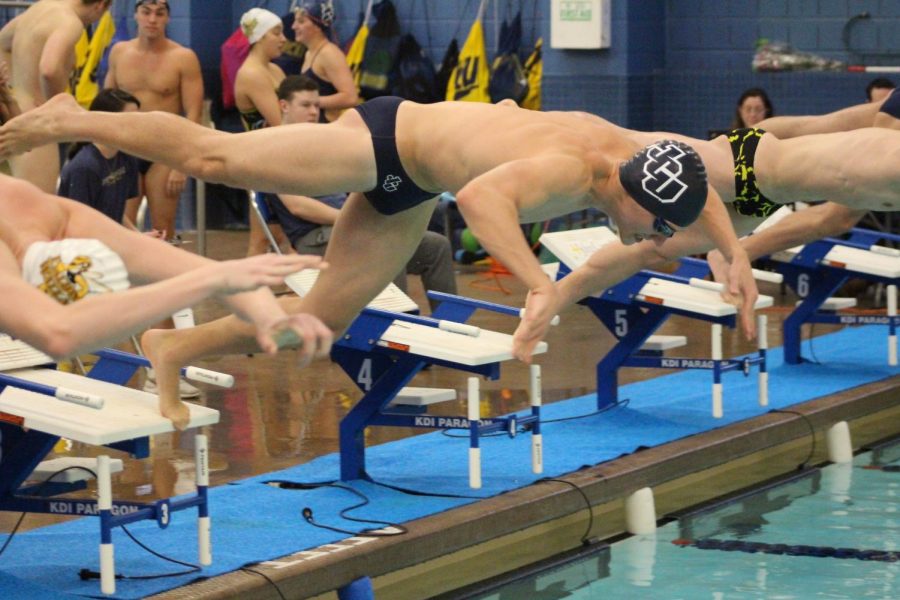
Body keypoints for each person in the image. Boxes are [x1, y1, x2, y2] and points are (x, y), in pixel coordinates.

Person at [0, 94, 759, 415]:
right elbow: (483, 203)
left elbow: (704, 187)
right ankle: (76, 116)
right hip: (386, 142)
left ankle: (174, 344)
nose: (655, 241)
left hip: (415, 187)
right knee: (218, 158)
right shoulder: (565, 170)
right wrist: (534, 285)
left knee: (311, 325)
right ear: (629, 194)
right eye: (654, 227)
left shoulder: (646, 160)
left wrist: (737, 259)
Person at [0, 174, 332, 428]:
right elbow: (59, 335)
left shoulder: (50, 213)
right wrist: (208, 281)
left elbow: (220, 275)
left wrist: (273, 320)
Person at [262, 75, 457, 309]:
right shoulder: (274, 149)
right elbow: (298, 206)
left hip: (352, 224)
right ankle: (396, 330)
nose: (314, 112)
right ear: (284, 106)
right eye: (305, 105)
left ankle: (450, 323)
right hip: (316, 236)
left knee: (436, 247)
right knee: (385, 249)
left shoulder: (322, 140)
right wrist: (351, 219)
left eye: (317, 105)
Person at [104, 0, 203, 241]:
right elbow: (107, 106)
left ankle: (173, 276)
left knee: (162, 227)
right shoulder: (119, 53)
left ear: (167, 18)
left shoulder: (183, 58)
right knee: (120, 224)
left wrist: (182, 165)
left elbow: (194, 113)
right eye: (146, 12)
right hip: (126, 148)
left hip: (164, 152)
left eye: (159, 14)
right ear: (136, 15)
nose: (152, 20)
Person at [0, 0, 111, 192]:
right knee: (36, 208)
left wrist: (11, 89)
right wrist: (57, 105)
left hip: (13, 113)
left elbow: (2, 42)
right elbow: (49, 69)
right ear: (100, 5)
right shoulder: (70, 22)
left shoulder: (39, 9)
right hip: (36, 122)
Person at [234, 7, 292, 256]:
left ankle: (294, 293)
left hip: (278, 160)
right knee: (263, 239)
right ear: (259, 37)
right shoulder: (252, 74)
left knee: (284, 238)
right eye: (277, 33)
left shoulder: (274, 70)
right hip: (261, 164)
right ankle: (247, 293)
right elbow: (283, 122)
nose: (284, 39)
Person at [58, 89, 148, 232]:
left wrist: (139, 237)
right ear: (107, 121)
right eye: (130, 120)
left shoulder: (126, 158)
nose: (137, 127)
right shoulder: (84, 167)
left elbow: (116, 215)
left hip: (108, 240)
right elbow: (80, 226)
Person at [294, 1, 358, 123]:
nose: (294, 26)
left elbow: (350, 97)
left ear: (318, 26)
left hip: (328, 128)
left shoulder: (330, 54)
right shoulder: (309, 52)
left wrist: (309, 102)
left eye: (301, 21)